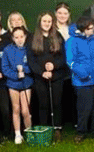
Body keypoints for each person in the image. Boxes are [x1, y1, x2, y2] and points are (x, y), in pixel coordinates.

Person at [66, 16, 94, 143]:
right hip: (82, 82)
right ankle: (81, 132)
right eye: (89, 28)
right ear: (82, 29)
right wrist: (84, 75)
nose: (92, 29)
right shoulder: (72, 41)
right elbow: (71, 61)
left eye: (92, 27)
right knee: (84, 108)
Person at [28, 13, 66, 142]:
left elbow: (63, 57)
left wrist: (54, 66)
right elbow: (31, 60)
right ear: (40, 22)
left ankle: (57, 129)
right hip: (40, 77)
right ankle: (44, 130)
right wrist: (41, 72)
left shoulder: (58, 37)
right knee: (43, 103)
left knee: (56, 102)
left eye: (49, 21)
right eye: (44, 21)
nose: (47, 24)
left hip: (56, 76)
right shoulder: (32, 38)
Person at [2, 27, 33, 144]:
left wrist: (24, 70)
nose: (19, 39)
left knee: (25, 110)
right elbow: (5, 68)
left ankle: (29, 133)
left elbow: (33, 65)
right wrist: (16, 75)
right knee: (16, 108)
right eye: (16, 37)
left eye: (21, 37)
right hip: (13, 83)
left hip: (26, 83)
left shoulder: (29, 49)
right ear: (12, 38)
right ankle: (18, 134)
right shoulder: (7, 50)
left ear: (25, 37)